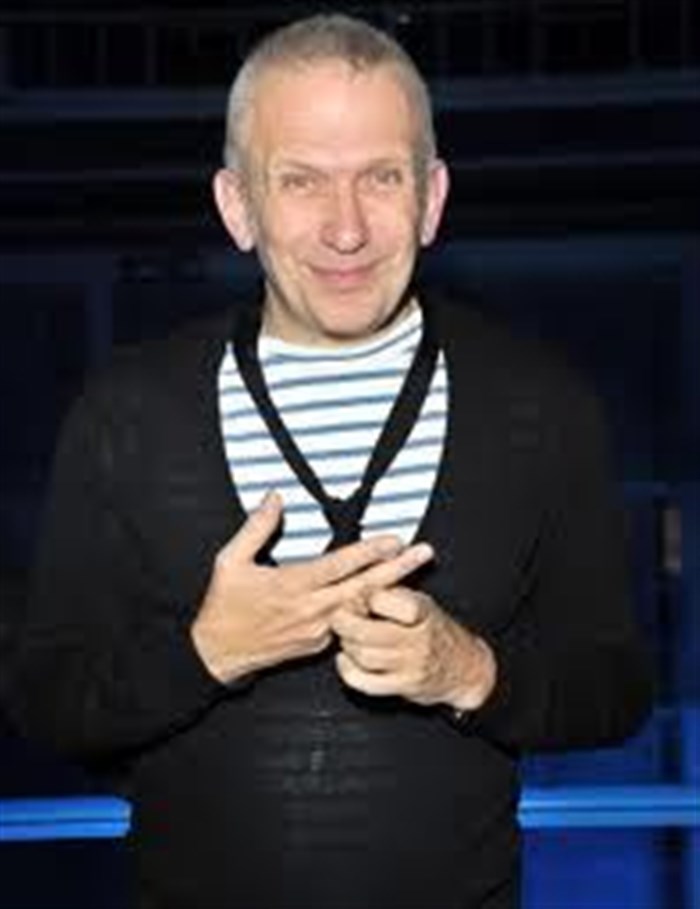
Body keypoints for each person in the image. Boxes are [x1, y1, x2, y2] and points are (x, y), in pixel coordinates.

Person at [3, 13, 653, 909]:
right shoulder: (126, 413)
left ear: (431, 198)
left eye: (381, 177)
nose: (346, 229)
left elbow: (615, 686)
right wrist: (204, 653)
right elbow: (44, 700)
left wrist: (472, 670)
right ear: (239, 206)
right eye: (301, 180)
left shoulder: (543, 407)